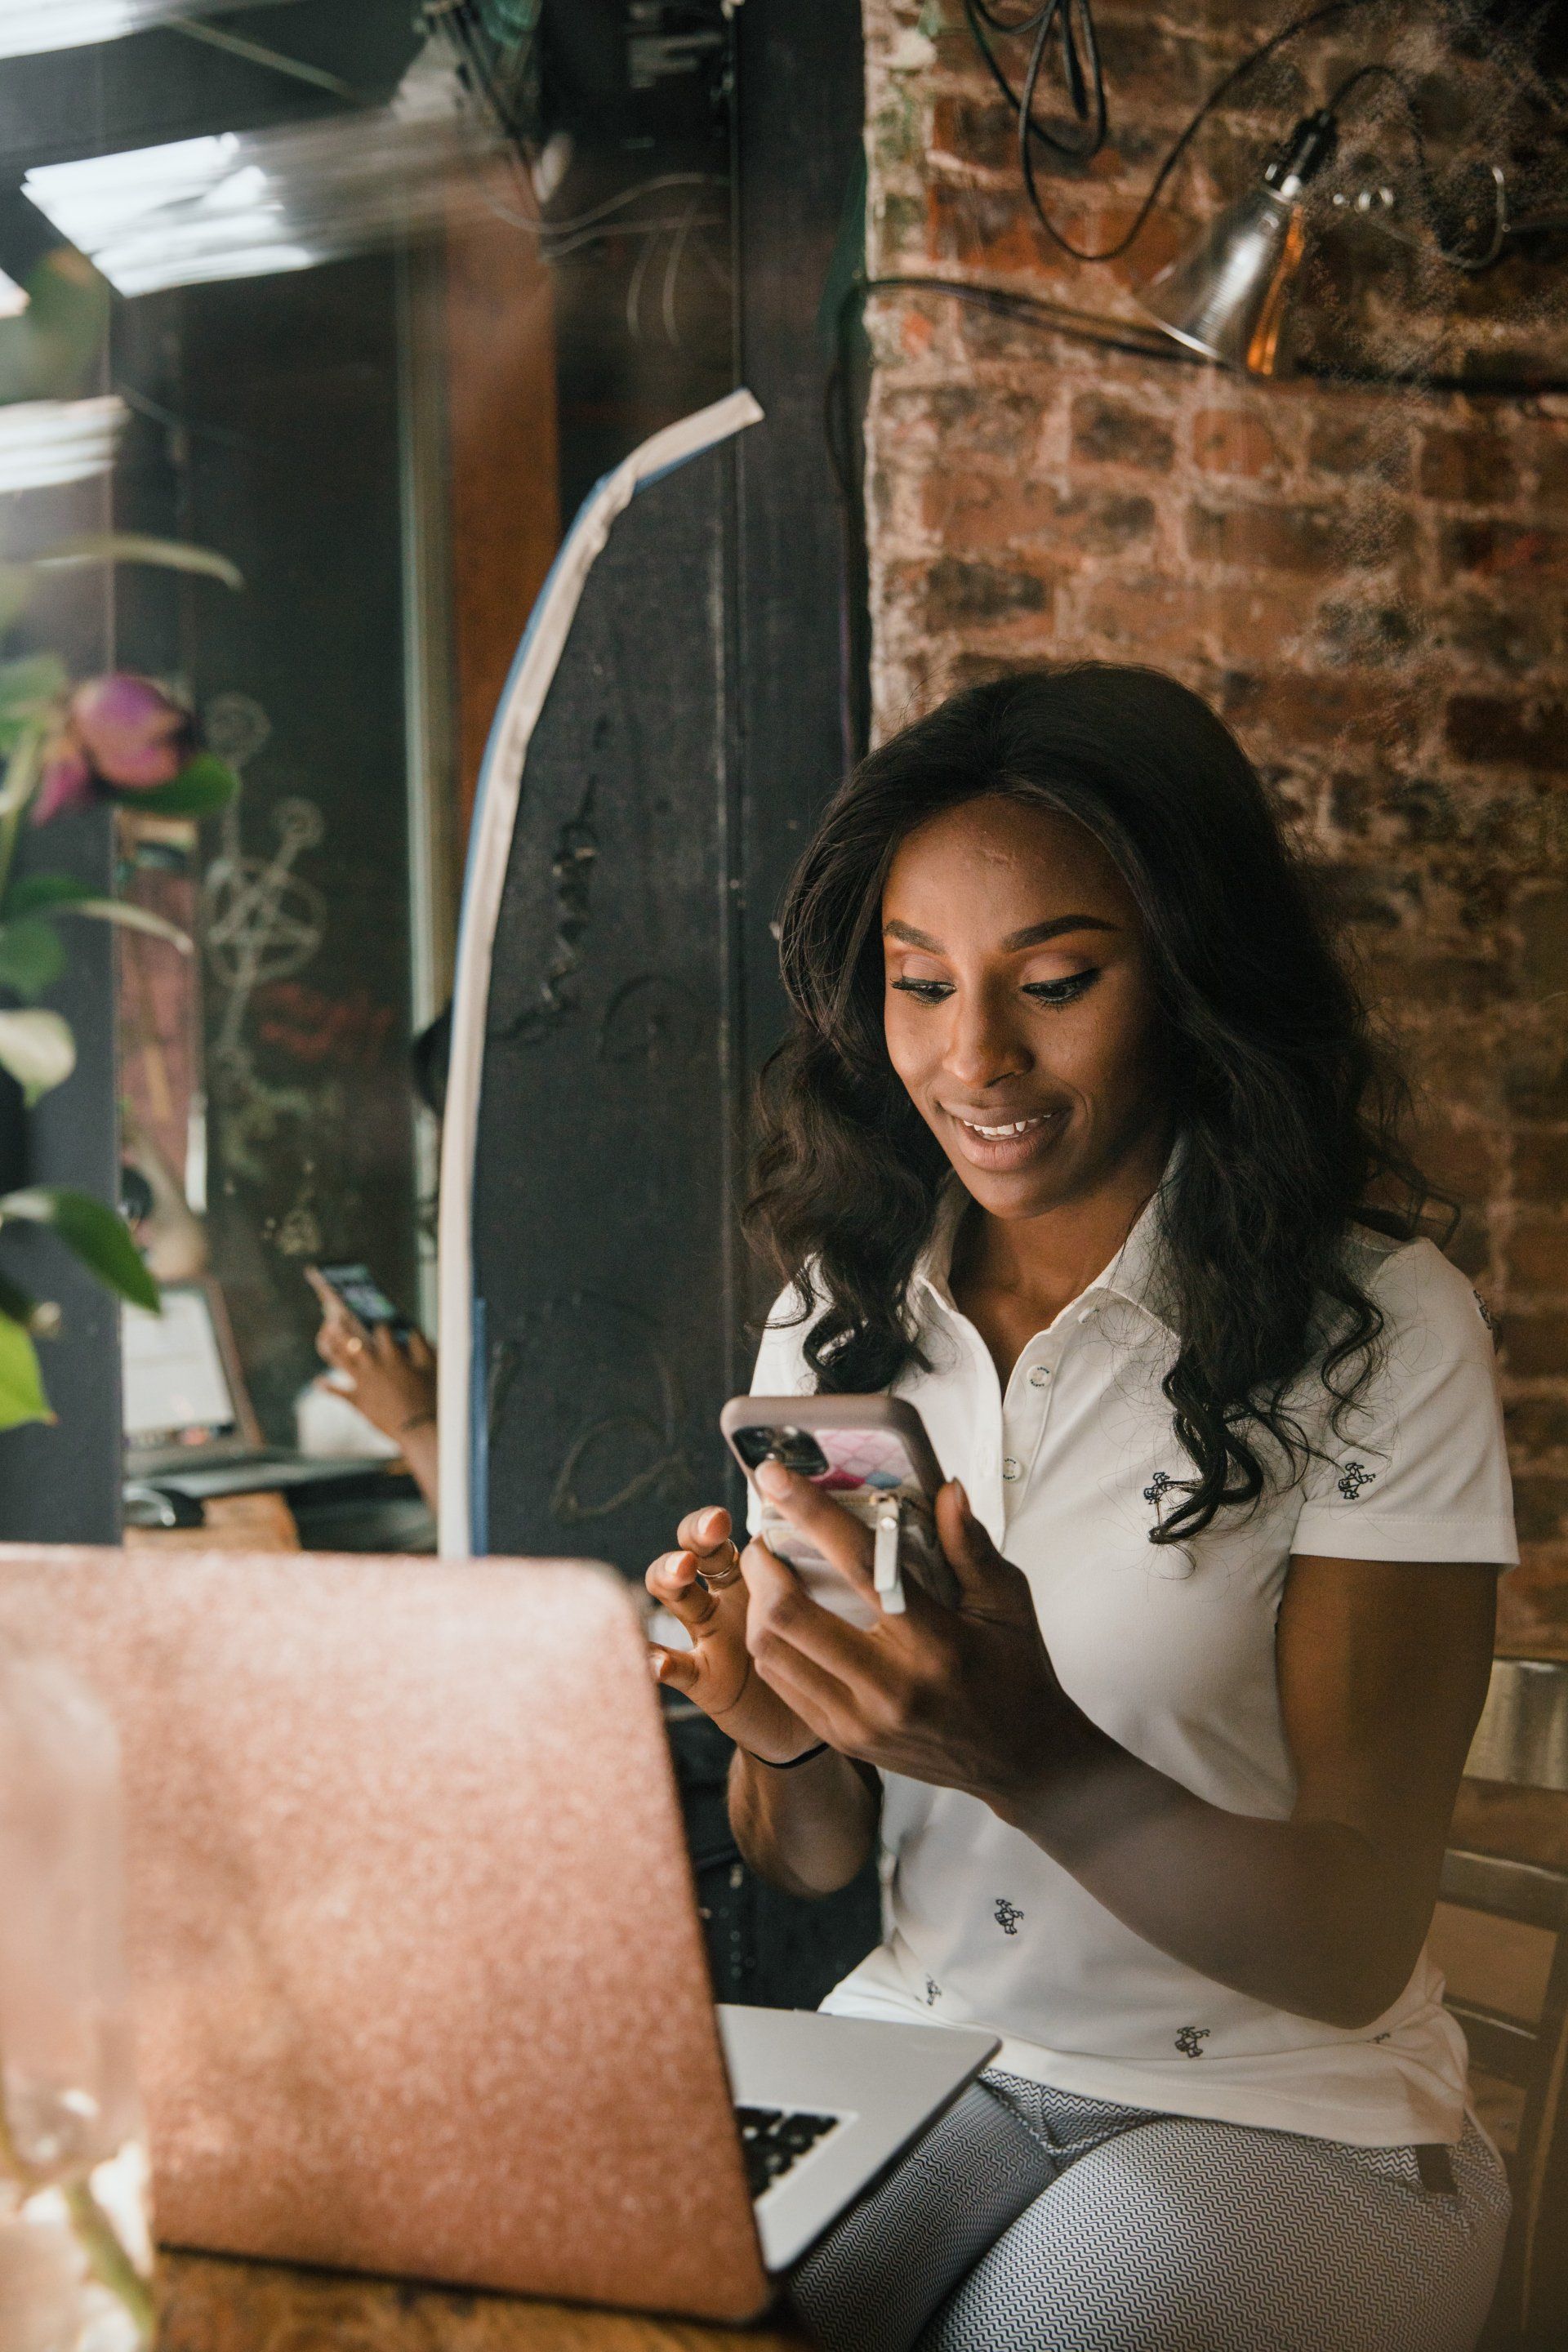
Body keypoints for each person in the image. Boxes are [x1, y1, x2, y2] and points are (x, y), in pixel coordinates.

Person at [645, 665, 1515, 2352]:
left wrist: (1027, 1744)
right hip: (925, 2051)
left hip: (1289, 2112)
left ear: (1188, 975)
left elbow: (1354, 1941)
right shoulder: (843, 1314)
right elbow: (817, 1860)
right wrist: (782, 1729)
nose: (974, 1056)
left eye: (1055, 981)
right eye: (918, 985)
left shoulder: (1377, 1326)